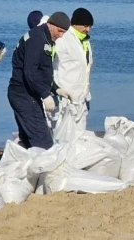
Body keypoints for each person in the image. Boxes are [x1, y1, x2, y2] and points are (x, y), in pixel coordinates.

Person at [7, 11, 70, 149]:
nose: (60, 35)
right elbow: (30, 72)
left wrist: (55, 88)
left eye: (64, 33)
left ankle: (23, 166)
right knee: (43, 140)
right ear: (50, 24)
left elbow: (42, 72)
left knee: (28, 139)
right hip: (22, 94)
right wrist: (45, 95)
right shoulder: (37, 39)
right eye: (59, 31)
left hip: (28, 94)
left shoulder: (45, 38)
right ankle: (46, 169)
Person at [52, 8, 94, 140]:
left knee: (80, 138)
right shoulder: (63, 39)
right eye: (85, 26)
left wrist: (86, 96)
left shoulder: (85, 41)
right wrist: (56, 89)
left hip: (82, 99)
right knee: (62, 137)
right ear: (75, 24)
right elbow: (51, 65)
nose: (88, 30)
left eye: (90, 26)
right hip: (65, 98)